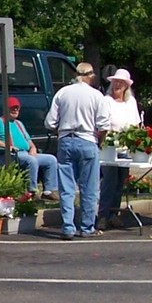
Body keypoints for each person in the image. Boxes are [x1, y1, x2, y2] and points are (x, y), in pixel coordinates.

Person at [44, 62, 111, 240]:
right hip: (88, 139)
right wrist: (99, 141)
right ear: (90, 76)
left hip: (66, 139)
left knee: (66, 188)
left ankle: (68, 226)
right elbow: (104, 125)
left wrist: (60, 131)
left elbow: (50, 122)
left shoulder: (63, 93)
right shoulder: (96, 96)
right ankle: (87, 226)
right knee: (89, 187)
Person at [0, 96, 59, 200]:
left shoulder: (19, 123)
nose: (15, 110)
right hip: (10, 155)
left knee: (51, 159)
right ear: (6, 108)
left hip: (26, 153)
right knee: (31, 161)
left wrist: (33, 148)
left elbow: (29, 141)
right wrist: (6, 145)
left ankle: (48, 191)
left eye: (17, 108)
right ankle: (31, 191)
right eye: (12, 108)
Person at [97, 68, 141, 230]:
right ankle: (103, 215)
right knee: (109, 182)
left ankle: (113, 215)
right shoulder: (105, 101)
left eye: (121, 82)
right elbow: (102, 125)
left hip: (126, 148)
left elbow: (136, 124)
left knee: (120, 183)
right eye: (115, 82)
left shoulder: (131, 102)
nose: (117, 85)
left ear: (126, 86)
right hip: (109, 148)